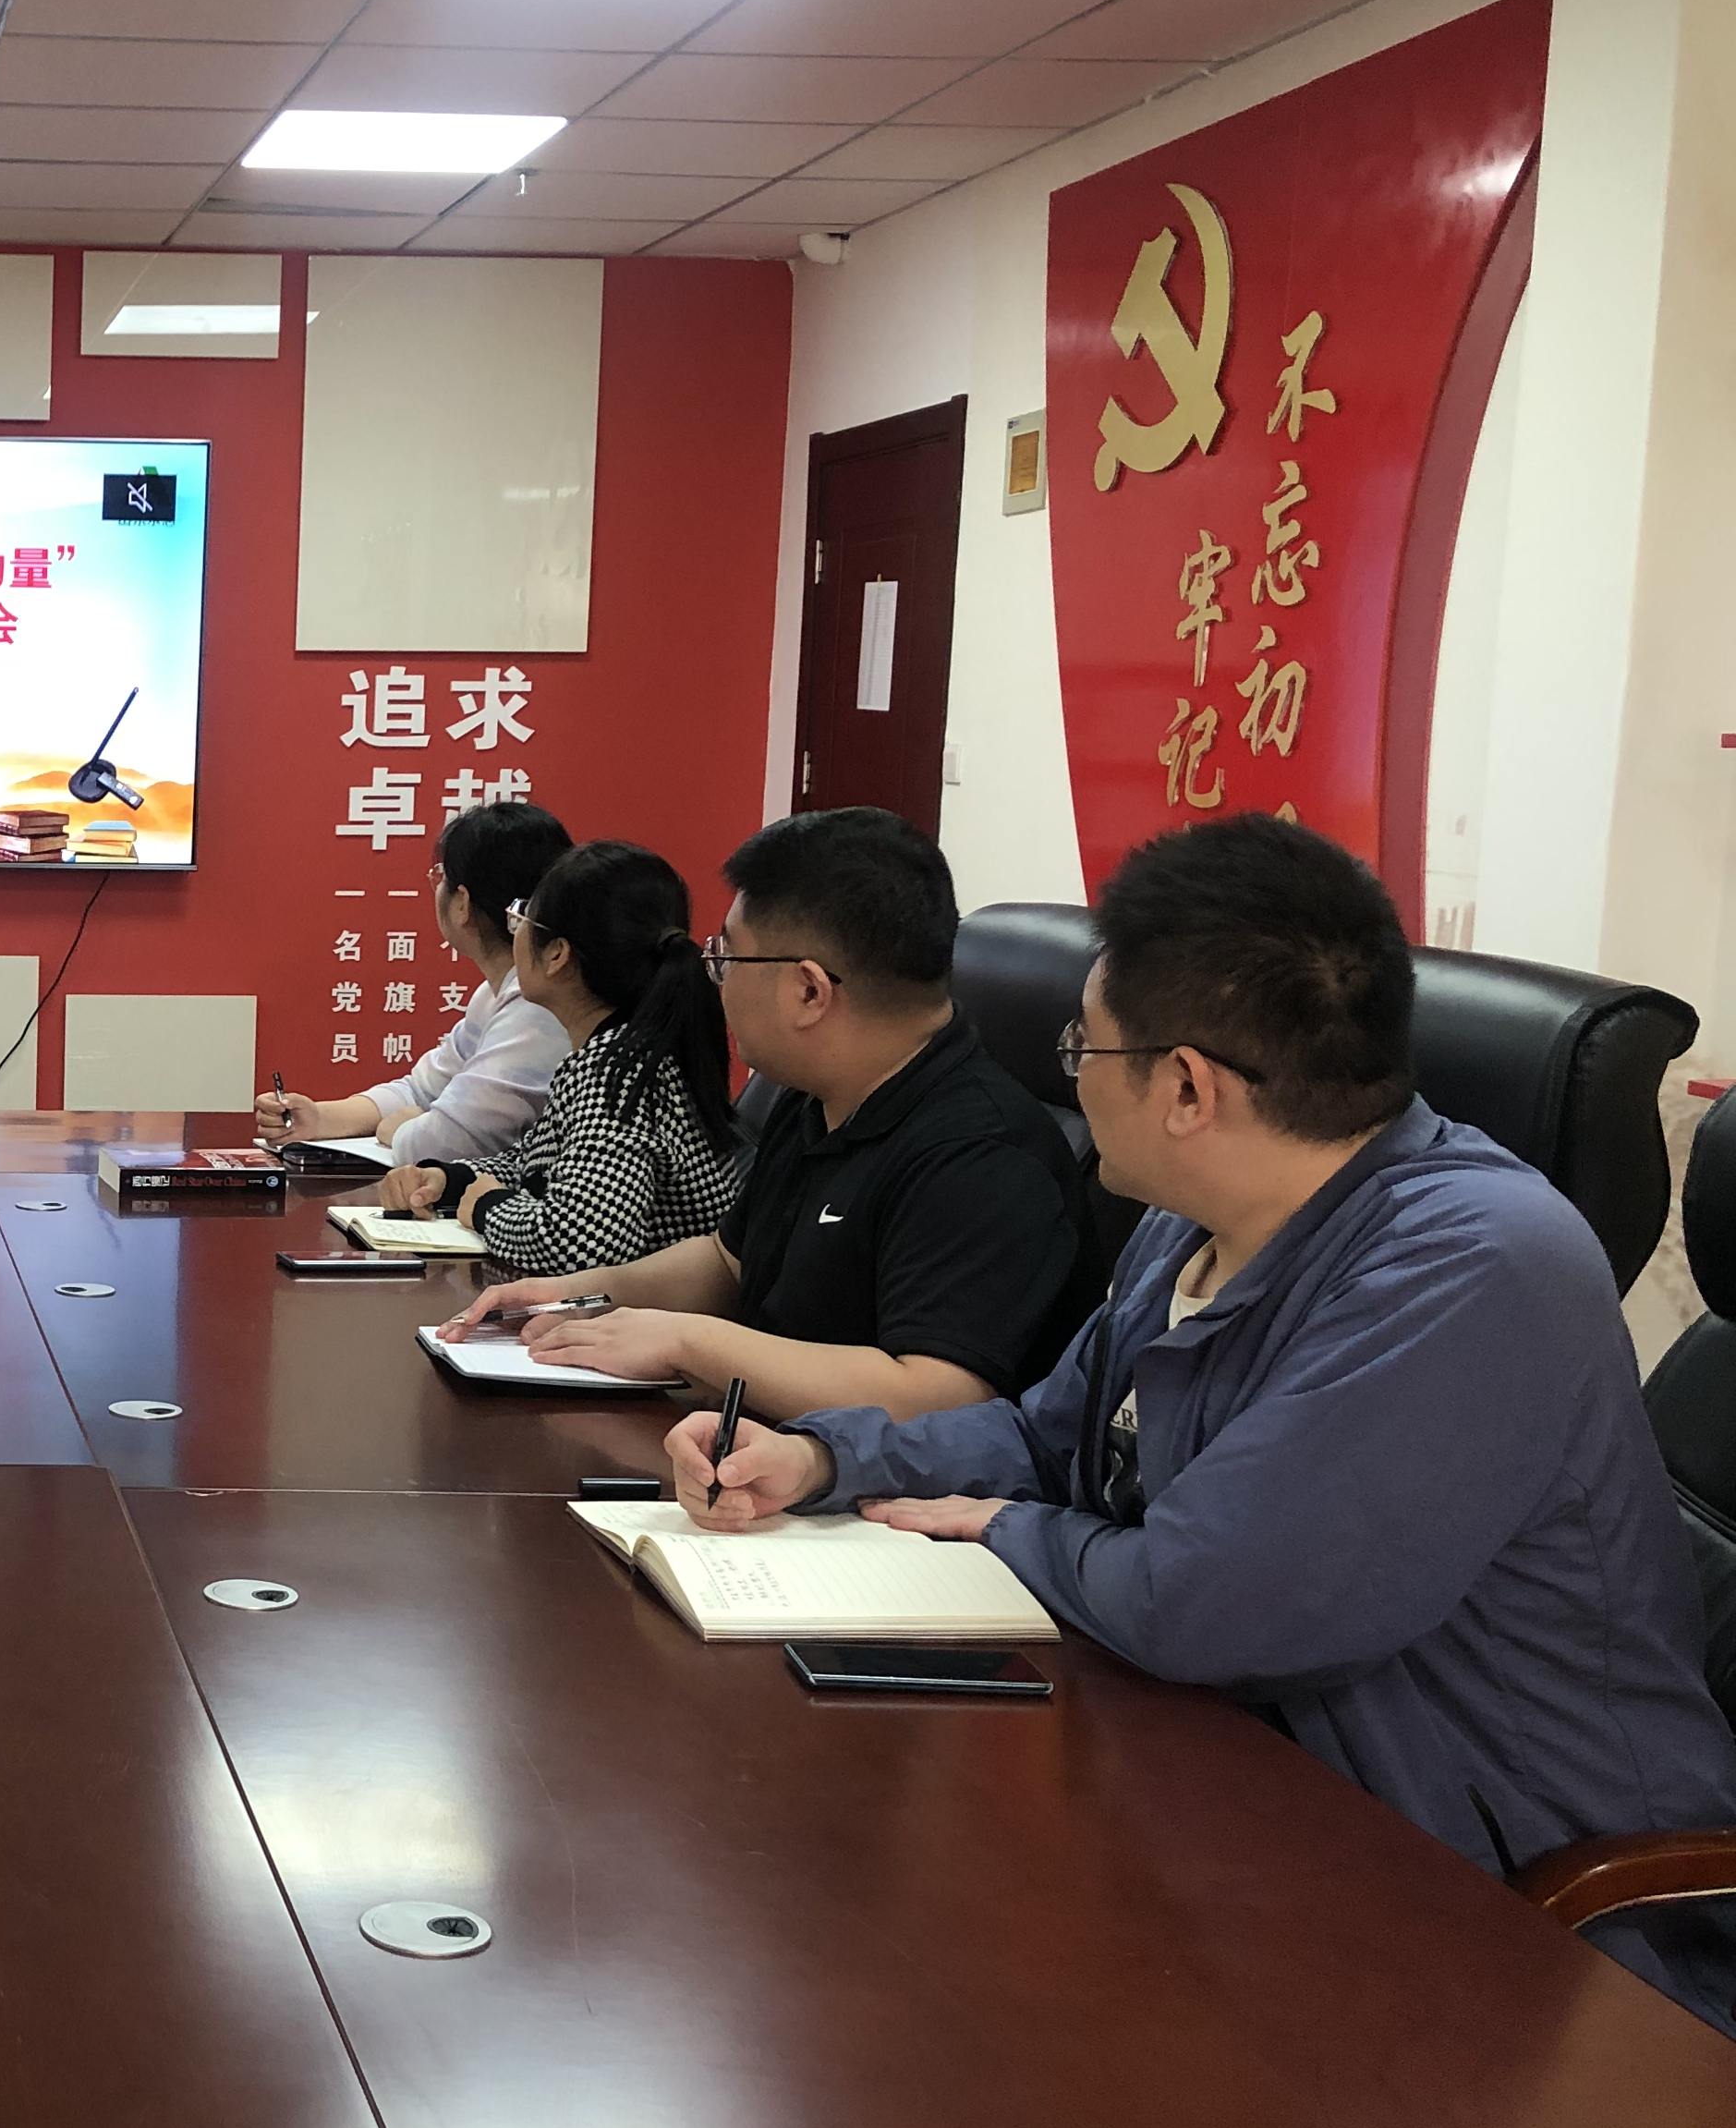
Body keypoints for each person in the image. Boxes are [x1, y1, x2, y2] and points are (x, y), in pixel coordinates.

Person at [676, 817, 1736, 2025]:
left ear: (1188, 1088)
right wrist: (822, 1457)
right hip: (1251, 1814)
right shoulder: (1192, 1225)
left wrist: (1004, 1531)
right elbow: (1048, 1439)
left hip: (1532, 1931)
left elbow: (1202, 1601)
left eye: (1083, 1045)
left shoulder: (1482, 1262)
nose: (1069, 1077)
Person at [448, 806, 1090, 1419]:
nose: (715, 978)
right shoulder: (818, 1096)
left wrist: (687, 1342)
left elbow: (931, 1396)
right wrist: (580, 1292)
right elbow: (727, 1261)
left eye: (727, 957)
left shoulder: (983, 1154)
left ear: (808, 991)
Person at [382, 840, 741, 1276]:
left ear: (557, 954)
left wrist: (488, 1208)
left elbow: (581, 1242)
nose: (515, 933)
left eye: (522, 918)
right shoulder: (622, 1051)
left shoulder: (616, 1072)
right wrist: (451, 1180)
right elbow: (537, 1164)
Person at [256, 802, 570, 1164]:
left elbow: (449, 1141)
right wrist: (321, 1119)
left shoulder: (539, 1003)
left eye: (441, 878)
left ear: (462, 902)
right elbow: (422, 1089)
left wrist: (401, 1127)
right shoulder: (495, 994)